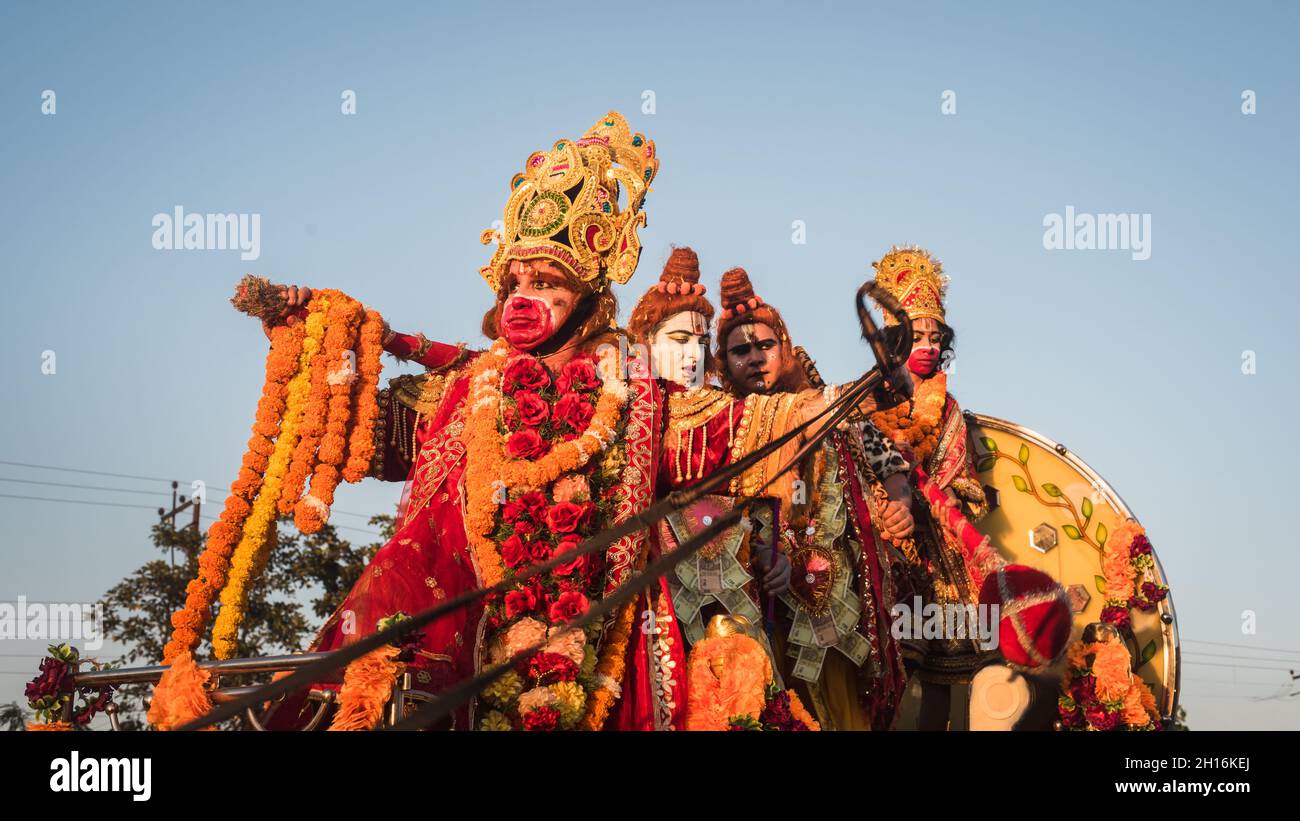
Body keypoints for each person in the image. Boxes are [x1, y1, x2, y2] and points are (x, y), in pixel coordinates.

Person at [262, 112, 691, 731]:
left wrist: (838, 402)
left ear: (590, 298)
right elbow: (366, 438)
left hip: (586, 646)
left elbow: (731, 430)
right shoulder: (463, 390)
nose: (523, 297)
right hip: (451, 636)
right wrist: (322, 339)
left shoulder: (632, 393)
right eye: (513, 281)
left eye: (546, 282)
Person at [711, 266, 914, 729]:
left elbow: (892, 469)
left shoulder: (831, 408)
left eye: (765, 346)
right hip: (765, 601)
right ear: (724, 363)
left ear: (785, 348)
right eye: (740, 351)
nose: (755, 358)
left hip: (842, 600)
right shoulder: (724, 427)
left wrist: (899, 506)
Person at [866, 245, 996, 730]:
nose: (927, 345)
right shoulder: (864, 397)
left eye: (934, 337)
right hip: (877, 543)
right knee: (881, 667)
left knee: (943, 678)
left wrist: (934, 502)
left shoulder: (951, 410)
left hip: (940, 555)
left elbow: (968, 485)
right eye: (916, 335)